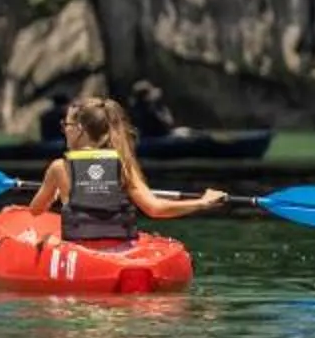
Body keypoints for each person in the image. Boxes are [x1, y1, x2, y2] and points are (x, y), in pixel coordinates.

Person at [24, 95, 224, 241]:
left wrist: (54, 192)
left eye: (66, 124)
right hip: (121, 250)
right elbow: (156, 209)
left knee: (40, 239)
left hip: (82, 250)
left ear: (79, 130)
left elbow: (35, 210)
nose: (64, 130)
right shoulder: (123, 164)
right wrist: (202, 202)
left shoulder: (59, 168)